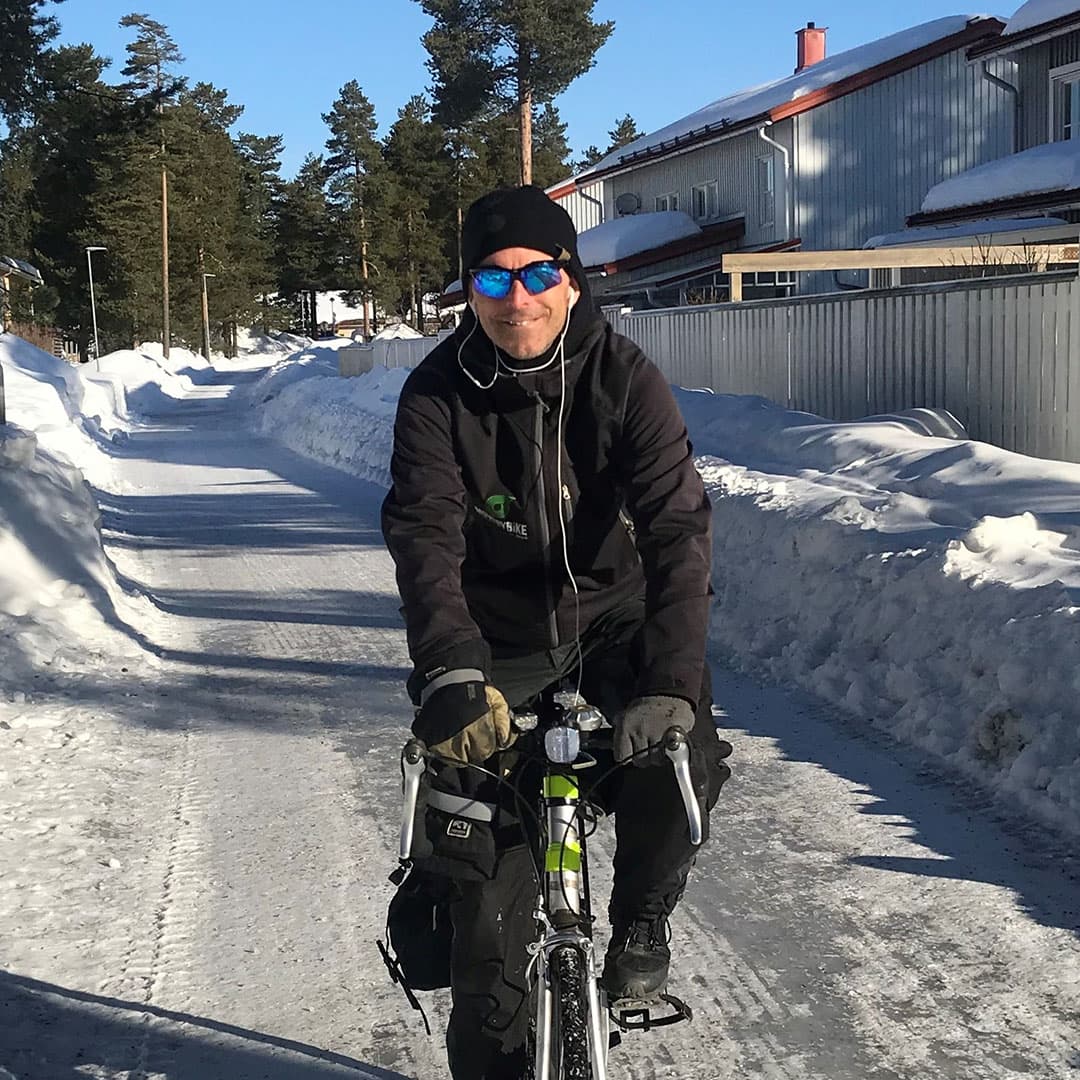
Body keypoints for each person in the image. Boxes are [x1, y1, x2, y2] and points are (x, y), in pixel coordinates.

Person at [381, 184, 731, 1080]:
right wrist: (452, 672)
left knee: (683, 760)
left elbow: (677, 529)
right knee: (484, 947)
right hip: (493, 646)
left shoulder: (625, 378)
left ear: (571, 280)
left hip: (610, 628)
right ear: (469, 294)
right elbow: (425, 535)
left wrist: (670, 682)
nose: (517, 298)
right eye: (492, 281)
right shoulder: (436, 394)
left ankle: (643, 921)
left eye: (537, 272)